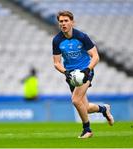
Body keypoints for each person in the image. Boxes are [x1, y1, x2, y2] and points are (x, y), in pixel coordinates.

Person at [52, 11, 114, 139]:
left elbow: (96, 56)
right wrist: (66, 72)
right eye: (61, 21)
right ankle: (103, 109)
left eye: (66, 21)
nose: (63, 23)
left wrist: (87, 69)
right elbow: (56, 63)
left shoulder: (82, 37)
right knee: (84, 107)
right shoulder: (57, 40)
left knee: (75, 100)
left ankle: (87, 130)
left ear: (72, 22)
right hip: (71, 75)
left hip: (85, 72)